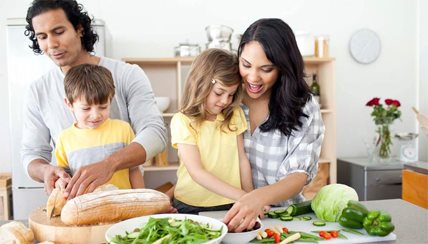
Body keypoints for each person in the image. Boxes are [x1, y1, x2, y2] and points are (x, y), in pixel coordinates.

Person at [22, 0, 166, 198]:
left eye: (59, 32)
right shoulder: (38, 90)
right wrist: (45, 171)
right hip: (77, 203)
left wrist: (109, 164)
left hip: (125, 199)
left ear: (79, 29)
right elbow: (32, 153)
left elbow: (155, 134)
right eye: (42, 37)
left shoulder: (127, 74)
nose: (51, 44)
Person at [223, 18, 325, 232]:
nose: (253, 77)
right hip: (227, 217)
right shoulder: (227, 98)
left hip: (284, 220)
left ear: (283, 66)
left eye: (266, 69)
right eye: (246, 65)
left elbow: (298, 176)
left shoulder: (304, 107)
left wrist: (256, 199)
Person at [170, 48, 253, 214]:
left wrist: (251, 197)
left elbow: (242, 160)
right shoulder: (182, 121)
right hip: (191, 205)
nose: (225, 101)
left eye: (231, 95)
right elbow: (197, 173)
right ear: (200, 84)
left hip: (231, 202)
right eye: (219, 93)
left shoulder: (234, 114)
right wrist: (243, 196)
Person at [55, 64, 144, 190]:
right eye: (86, 108)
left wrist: (141, 201)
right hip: (86, 207)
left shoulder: (123, 130)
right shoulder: (65, 138)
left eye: (103, 107)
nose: (95, 115)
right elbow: (64, 177)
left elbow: (134, 171)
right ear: (69, 104)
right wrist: (60, 182)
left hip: (124, 205)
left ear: (110, 100)